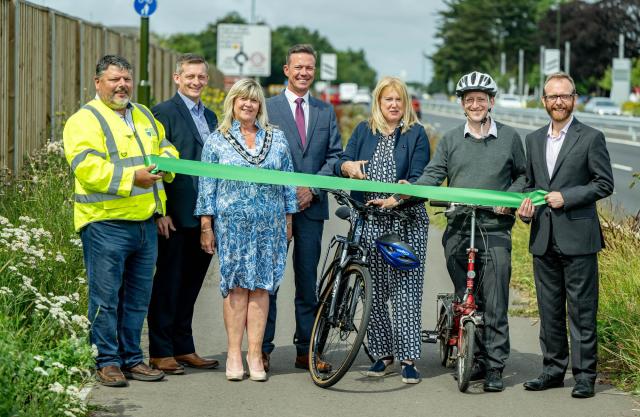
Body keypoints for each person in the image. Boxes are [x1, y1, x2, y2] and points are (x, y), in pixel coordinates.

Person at [373, 71, 526, 392]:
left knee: (495, 301)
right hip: (458, 227)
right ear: (462, 105)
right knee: (466, 294)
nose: (475, 105)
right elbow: (430, 177)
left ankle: (494, 365)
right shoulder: (452, 140)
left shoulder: (511, 138)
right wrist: (398, 197)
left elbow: (524, 177)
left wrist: (509, 201)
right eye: (469, 100)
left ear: (491, 102)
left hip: (495, 229)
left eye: (480, 100)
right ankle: (468, 343)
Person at [62, 55, 179, 387]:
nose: (122, 85)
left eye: (126, 78)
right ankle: (107, 361)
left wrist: (164, 166)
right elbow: (87, 169)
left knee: (137, 299)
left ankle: (132, 358)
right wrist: (133, 178)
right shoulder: (84, 120)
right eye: (114, 79)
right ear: (98, 82)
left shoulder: (141, 113)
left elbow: (167, 147)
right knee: (105, 298)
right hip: (105, 224)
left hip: (144, 223)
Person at [517, 72, 614, 399]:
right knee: (549, 310)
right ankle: (552, 371)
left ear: (574, 99)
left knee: (583, 311)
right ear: (543, 101)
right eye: (552, 96)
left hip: (579, 238)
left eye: (565, 95)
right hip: (543, 236)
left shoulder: (591, 137)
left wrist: (567, 196)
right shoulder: (532, 140)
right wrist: (525, 206)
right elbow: (530, 184)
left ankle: (585, 376)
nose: (559, 101)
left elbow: (604, 183)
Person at [195, 78, 297, 382]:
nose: (248, 105)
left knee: (262, 288)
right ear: (232, 102)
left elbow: (288, 181)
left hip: (270, 225)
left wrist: (289, 220)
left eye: (253, 100)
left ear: (259, 106)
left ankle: (255, 354)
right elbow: (206, 186)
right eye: (242, 99)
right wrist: (205, 225)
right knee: (238, 288)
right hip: (232, 227)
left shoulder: (276, 139)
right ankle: (233, 355)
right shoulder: (217, 140)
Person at [335, 76, 430, 384]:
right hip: (370, 222)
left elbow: (420, 177)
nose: (393, 105)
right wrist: (346, 167)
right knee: (371, 290)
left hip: (406, 222)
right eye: (387, 99)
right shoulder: (364, 130)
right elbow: (344, 160)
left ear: (406, 104)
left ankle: (408, 359)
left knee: (405, 292)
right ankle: (382, 354)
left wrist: (400, 195)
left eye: (398, 100)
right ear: (377, 102)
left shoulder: (416, 134)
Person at [262, 44, 342, 372]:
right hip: (273, 209)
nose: (303, 73)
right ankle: (262, 349)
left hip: (312, 209)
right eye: (298, 67)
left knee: (307, 282)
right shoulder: (267, 108)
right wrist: (288, 191)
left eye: (309, 67)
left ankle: (306, 349)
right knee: (268, 282)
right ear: (286, 70)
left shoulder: (325, 111)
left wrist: (312, 187)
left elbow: (335, 156)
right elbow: (260, 154)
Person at [146, 54, 219, 375]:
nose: (196, 82)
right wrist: (159, 210)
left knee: (191, 285)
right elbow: (153, 164)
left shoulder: (214, 117)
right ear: (177, 78)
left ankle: (184, 347)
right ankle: (160, 351)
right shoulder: (162, 113)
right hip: (174, 215)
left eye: (201, 77)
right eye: (190, 76)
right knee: (168, 284)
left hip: (206, 216)